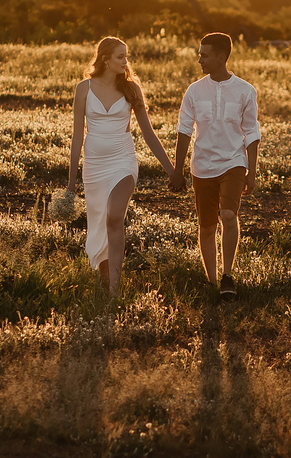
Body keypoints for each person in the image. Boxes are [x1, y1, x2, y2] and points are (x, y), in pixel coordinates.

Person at [68, 37, 175, 295]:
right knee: (99, 223)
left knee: (115, 217)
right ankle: (106, 282)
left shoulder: (131, 89)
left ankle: (114, 291)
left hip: (123, 162)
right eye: (120, 56)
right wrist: (71, 181)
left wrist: (171, 170)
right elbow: (77, 136)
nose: (125, 61)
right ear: (105, 59)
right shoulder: (84, 88)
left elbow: (148, 133)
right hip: (94, 167)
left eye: (126, 56)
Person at [168, 32, 261, 301]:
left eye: (204, 55)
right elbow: (184, 130)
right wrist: (178, 169)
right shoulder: (194, 91)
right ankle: (212, 282)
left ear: (221, 58)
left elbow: (251, 132)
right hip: (202, 166)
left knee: (228, 215)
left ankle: (227, 275)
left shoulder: (245, 91)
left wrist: (252, 172)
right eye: (200, 54)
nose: (200, 60)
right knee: (207, 226)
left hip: (233, 163)